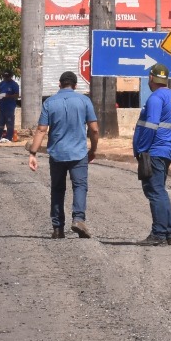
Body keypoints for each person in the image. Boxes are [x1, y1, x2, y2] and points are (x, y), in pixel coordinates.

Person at [26, 71, 98, 238]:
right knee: (80, 186)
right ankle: (78, 219)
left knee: (57, 189)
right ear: (75, 85)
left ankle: (58, 228)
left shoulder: (49, 103)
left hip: (57, 154)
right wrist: (93, 150)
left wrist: (33, 153)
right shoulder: (84, 101)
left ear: (59, 84)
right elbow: (94, 129)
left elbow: (41, 130)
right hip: (79, 153)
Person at [133, 63, 171, 246]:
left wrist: (142, 150)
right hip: (167, 150)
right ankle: (169, 233)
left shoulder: (155, 98)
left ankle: (159, 233)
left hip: (154, 150)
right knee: (160, 191)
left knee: (155, 192)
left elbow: (151, 126)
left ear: (151, 78)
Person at [0, 70, 20, 143]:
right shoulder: (2, 83)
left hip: (9, 107)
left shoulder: (14, 84)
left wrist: (8, 96)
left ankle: (9, 137)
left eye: (7, 77)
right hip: (2, 106)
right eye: (4, 77)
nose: (5, 78)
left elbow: (17, 95)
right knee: (0, 123)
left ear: (10, 76)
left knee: (9, 123)